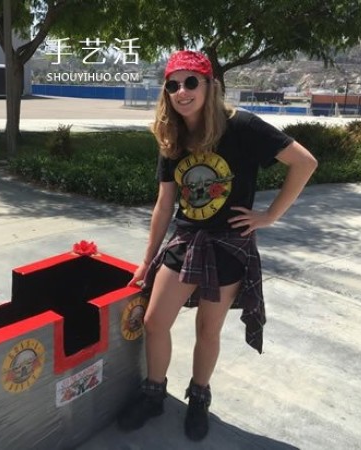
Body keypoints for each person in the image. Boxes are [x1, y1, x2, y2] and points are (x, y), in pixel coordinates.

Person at [116, 50, 318, 441]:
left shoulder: (241, 126)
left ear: (210, 85)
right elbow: (164, 203)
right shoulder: (172, 136)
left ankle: (198, 398)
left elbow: (304, 162)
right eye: (173, 84)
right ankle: (154, 393)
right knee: (156, 321)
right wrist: (146, 261)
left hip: (228, 244)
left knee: (208, 330)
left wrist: (269, 216)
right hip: (187, 238)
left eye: (192, 82)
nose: (182, 91)